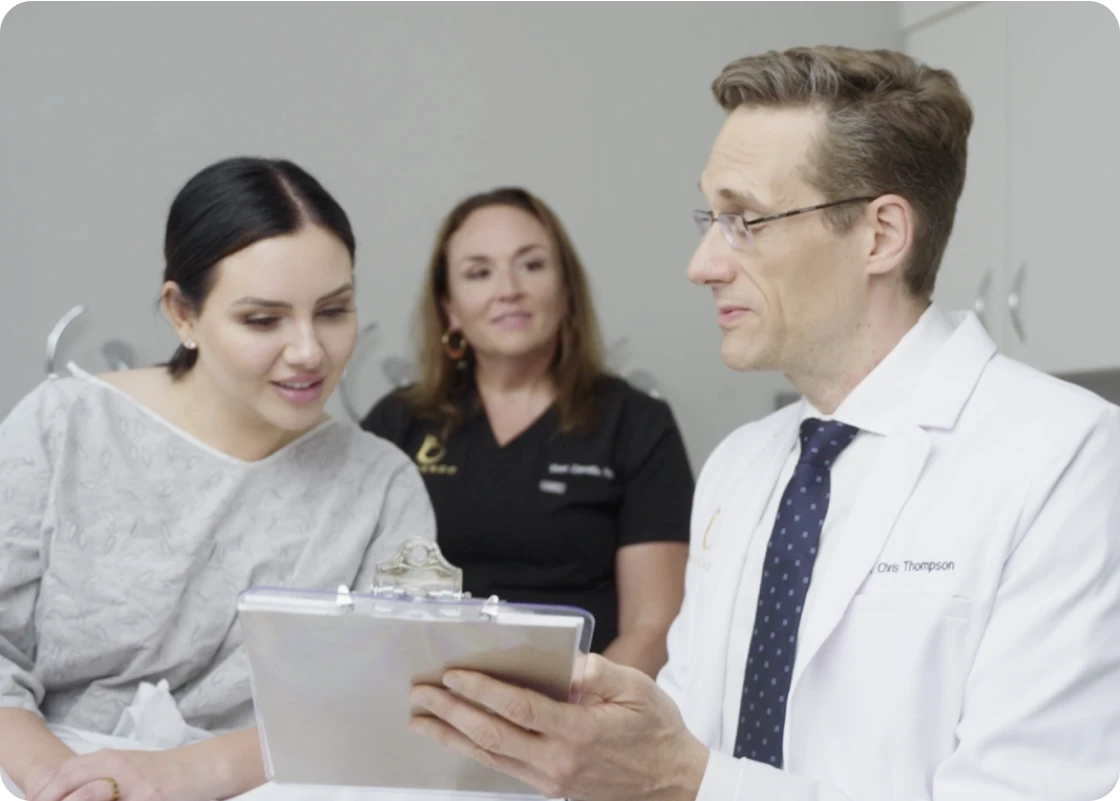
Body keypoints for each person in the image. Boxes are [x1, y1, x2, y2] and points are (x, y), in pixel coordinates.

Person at [403, 46, 1120, 801]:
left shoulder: (1067, 457)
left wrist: (687, 780)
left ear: (880, 235)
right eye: (710, 218)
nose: (703, 262)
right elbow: (682, 731)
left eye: (744, 220)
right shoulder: (742, 466)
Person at [0, 157, 437, 801]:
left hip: (278, 782)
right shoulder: (64, 426)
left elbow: (389, 694)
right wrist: (60, 781)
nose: (309, 351)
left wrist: (187, 774)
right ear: (182, 313)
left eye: (333, 310)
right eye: (263, 320)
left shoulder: (381, 484)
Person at [362, 187, 693, 676]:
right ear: (450, 307)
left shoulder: (637, 424)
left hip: (580, 717)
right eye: (479, 272)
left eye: (532, 265)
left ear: (565, 292)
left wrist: (563, 725)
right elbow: (357, 610)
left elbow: (654, 628)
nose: (508, 288)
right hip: (422, 707)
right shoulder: (397, 423)